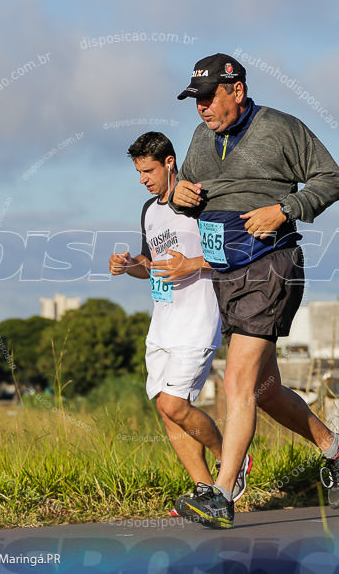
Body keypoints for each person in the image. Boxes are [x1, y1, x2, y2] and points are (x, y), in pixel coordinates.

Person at [170, 53, 339, 529]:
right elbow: (194, 197)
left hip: (270, 265)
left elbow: (331, 179)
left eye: (208, 97)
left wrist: (284, 208)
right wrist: (177, 196)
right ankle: (335, 448)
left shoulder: (281, 128)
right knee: (266, 388)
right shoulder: (201, 138)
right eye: (195, 100)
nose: (201, 108)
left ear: (236, 90)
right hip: (226, 271)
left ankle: (221, 492)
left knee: (237, 382)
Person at [109, 131, 252, 509]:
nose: (143, 179)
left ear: (169, 162)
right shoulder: (149, 210)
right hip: (162, 323)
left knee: (175, 405)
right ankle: (207, 490)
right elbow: (150, 264)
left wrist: (192, 264)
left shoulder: (197, 201)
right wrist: (128, 266)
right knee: (167, 411)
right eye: (139, 172)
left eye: (148, 170)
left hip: (198, 320)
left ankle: (232, 462)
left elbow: (233, 253)